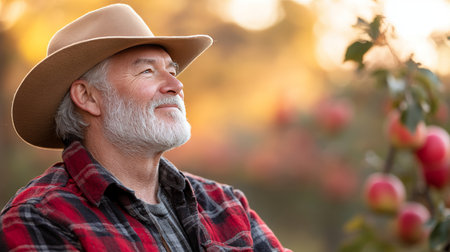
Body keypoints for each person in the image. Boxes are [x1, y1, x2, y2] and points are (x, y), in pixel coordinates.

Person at [0, 4, 291, 251]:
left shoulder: (226, 205)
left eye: (173, 71)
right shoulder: (39, 217)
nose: (176, 86)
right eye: (148, 71)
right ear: (87, 97)